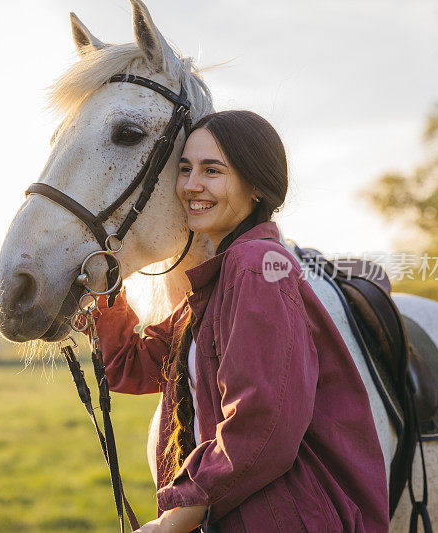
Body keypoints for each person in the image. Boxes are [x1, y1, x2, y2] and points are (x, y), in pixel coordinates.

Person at [88, 111, 390, 532]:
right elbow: (130, 367)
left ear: (256, 185)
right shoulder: (220, 279)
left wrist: (171, 522)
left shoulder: (255, 268)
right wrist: (107, 294)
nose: (192, 185)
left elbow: (261, 421)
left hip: (279, 518)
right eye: (185, 168)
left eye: (213, 171)